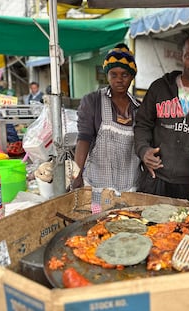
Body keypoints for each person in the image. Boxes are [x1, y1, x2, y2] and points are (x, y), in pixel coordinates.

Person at [134, 33, 189, 201]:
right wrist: (143, 150)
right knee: (147, 225)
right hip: (156, 178)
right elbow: (142, 124)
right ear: (182, 56)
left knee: (184, 227)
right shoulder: (160, 88)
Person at [72, 43, 141, 213]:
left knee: (126, 227)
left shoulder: (140, 107)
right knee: (98, 228)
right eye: (114, 74)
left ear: (132, 77)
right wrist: (77, 174)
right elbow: (84, 138)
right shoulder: (93, 101)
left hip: (129, 187)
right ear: (107, 75)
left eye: (125, 74)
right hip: (97, 188)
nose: (119, 79)